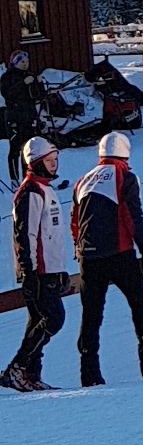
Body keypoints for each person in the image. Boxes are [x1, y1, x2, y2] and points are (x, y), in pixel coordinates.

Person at [71, 132, 143, 387]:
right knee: (141, 305)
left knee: (91, 315)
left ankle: (89, 373)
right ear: (125, 152)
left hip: (88, 257)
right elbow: (133, 217)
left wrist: (79, 249)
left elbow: (75, 221)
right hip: (119, 253)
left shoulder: (83, 180)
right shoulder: (125, 177)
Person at [3, 137, 68, 392]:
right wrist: (29, 272)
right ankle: (17, 368)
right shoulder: (30, 192)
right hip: (37, 270)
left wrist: (61, 269)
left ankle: (31, 374)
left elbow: (52, 236)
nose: (54, 166)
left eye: (55, 161)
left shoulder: (46, 189)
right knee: (53, 318)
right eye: (49, 161)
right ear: (36, 163)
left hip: (49, 269)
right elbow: (25, 233)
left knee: (37, 321)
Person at [2, 52, 39, 185]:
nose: (25, 64)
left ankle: (27, 176)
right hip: (14, 116)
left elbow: (38, 95)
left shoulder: (30, 75)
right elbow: (8, 94)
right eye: (22, 62)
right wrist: (22, 83)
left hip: (28, 115)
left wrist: (38, 83)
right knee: (15, 148)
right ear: (15, 62)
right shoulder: (7, 77)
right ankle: (14, 178)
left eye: (26, 61)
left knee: (27, 148)